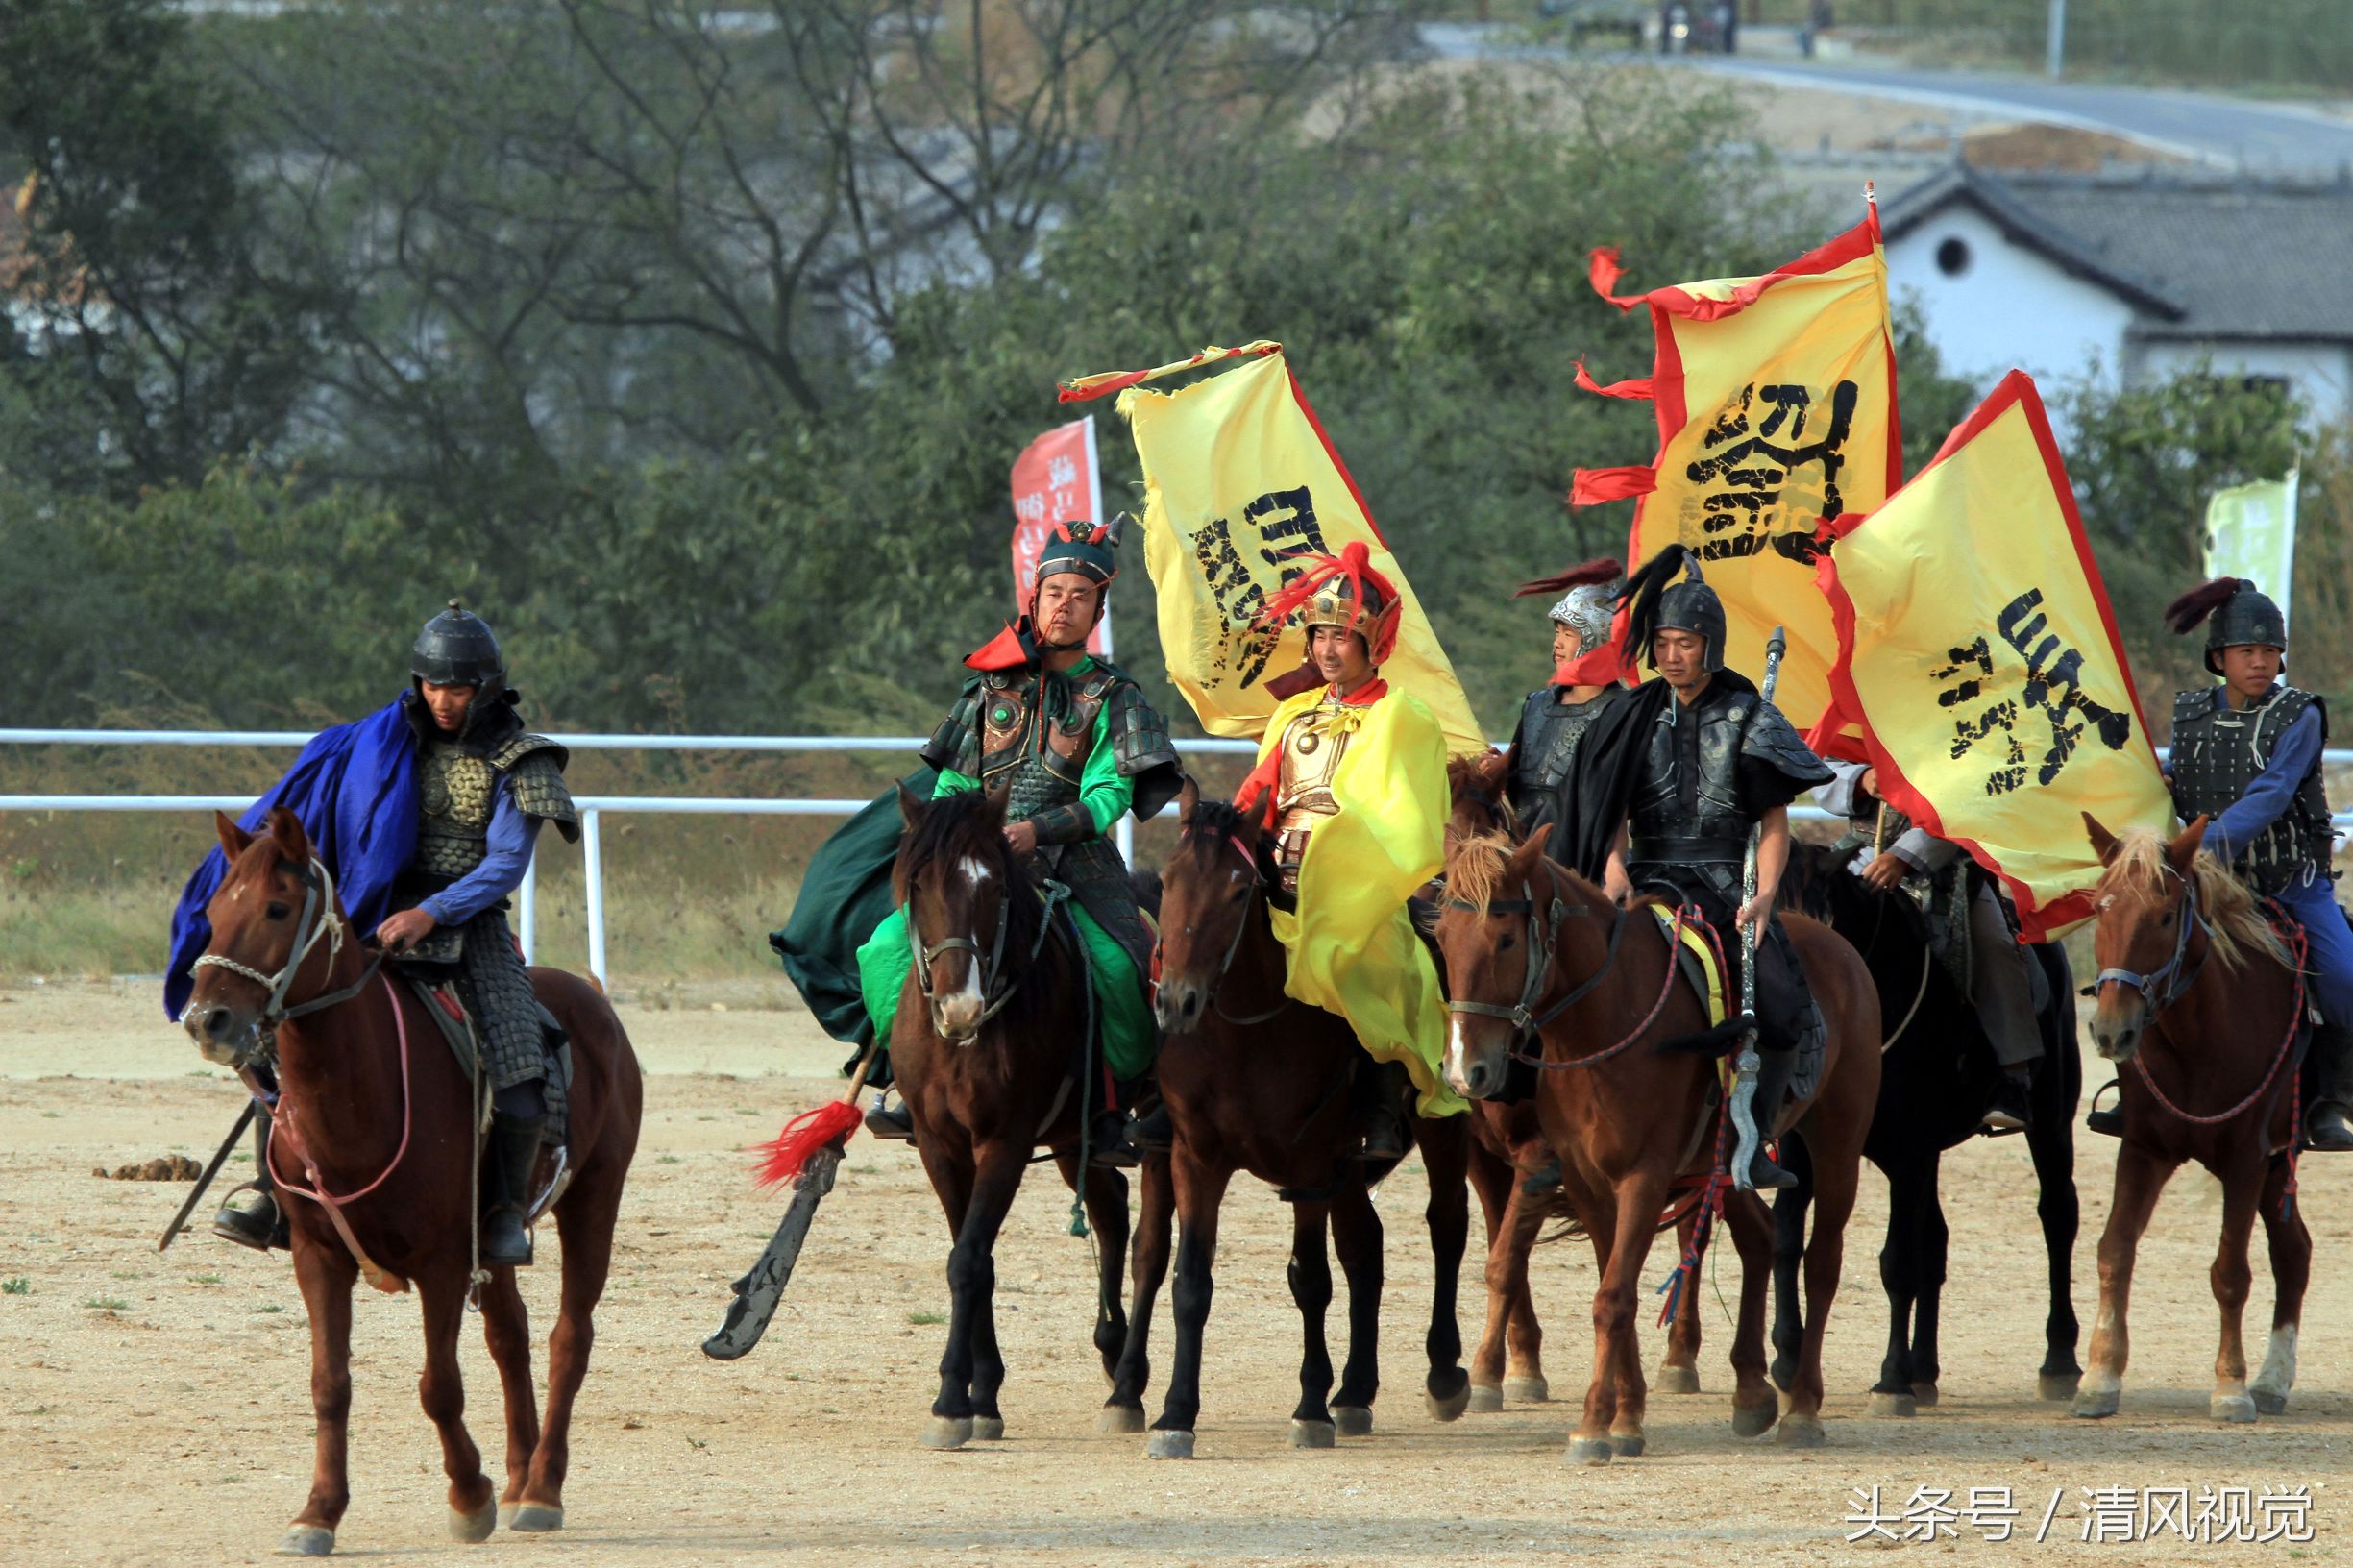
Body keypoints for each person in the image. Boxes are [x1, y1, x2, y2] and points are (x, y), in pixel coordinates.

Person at [165, 600, 578, 1264]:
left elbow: (505, 863)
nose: (443, 700)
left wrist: (433, 912)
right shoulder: (378, 744)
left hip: (469, 931)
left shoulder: (519, 761)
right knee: (276, 1035)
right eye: (433, 685)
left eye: (459, 687)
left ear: (487, 687)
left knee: (519, 1064)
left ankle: (501, 1213)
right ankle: (273, 1194)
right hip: (367, 913)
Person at [855, 517, 1182, 1163]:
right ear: (1032, 599)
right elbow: (952, 776)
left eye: (1079, 596)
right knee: (885, 946)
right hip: (977, 860)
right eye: (1055, 592)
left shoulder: (1113, 696)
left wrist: (1036, 830)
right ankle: (904, 1079)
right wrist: (957, 832)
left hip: (1075, 862)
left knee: (1120, 968)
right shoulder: (987, 687)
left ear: (1097, 609)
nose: (1065, 605)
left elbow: (1110, 795)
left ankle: (1114, 1106)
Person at [1555, 546, 1835, 1190]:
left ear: (1709, 645)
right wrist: (1612, 866)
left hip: (1720, 882)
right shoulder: (1629, 713)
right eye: (1663, 642)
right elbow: (1611, 810)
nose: (1672, 654)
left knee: (1781, 1000)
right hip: (1646, 878)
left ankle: (1755, 1136)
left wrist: (1763, 899)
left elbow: (1771, 823)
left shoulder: (1747, 717)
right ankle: (1548, 1127)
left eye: (1685, 642)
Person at [2091, 576, 2353, 1146]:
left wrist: (2191, 849)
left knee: (2343, 976)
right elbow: (2178, 784)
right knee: (2138, 953)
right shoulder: (2188, 715)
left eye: (2269, 652)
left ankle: (2329, 1099)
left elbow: (2272, 793)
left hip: (2290, 884)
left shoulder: (2300, 715)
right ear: (2219, 658)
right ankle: (2130, 1086)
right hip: (2208, 882)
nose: (2260, 662)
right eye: (2246, 652)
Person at [1231, 541, 1467, 1160]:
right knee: (1198, 937)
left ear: (1372, 644)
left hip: (1362, 875)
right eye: (1318, 636)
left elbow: (1407, 817)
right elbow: (1258, 793)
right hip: (1277, 864)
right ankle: (1173, 1091)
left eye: (1341, 637)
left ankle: (1384, 1103)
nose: (1327, 650)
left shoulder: (1402, 715)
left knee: (1384, 959)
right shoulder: (1293, 713)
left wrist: (1345, 862)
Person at [1817, 759, 2044, 1130]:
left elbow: (1978, 788)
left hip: (1948, 864)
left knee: (1996, 948)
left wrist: (1905, 856)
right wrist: (1860, 779)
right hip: (1858, 855)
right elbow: (1820, 764)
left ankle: (2013, 1076)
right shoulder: (1859, 705)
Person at [1501, 556, 1630, 844]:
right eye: (1557, 632)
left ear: (1597, 636)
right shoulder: (1536, 705)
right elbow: (1514, 785)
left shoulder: (1625, 710)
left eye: (1569, 633)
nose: (1557, 642)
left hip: (1586, 852)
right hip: (1525, 848)